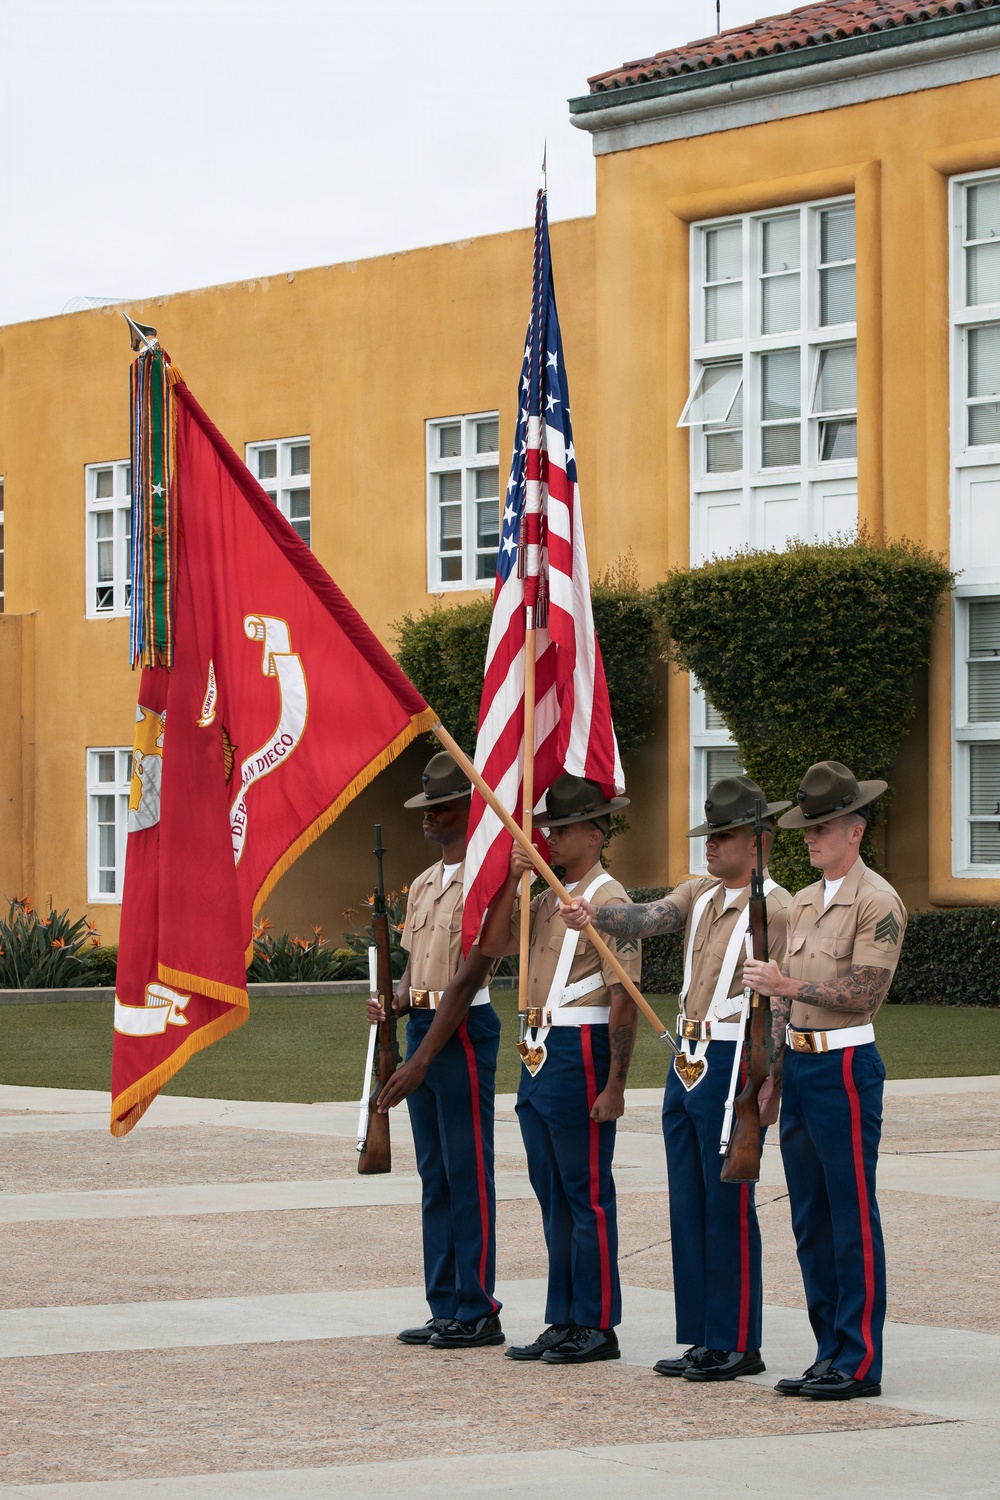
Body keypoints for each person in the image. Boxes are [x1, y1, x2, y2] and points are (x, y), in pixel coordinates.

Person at [562, 774, 791, 1383]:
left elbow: (782, 1006)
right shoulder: (701, 893)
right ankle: (702, 1335)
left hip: (733, 1056)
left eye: (725, 835)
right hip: (686, 1057)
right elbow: (647, 917)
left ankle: (738, 1340)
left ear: (759, 840)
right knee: (688, 1203)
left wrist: (771, 1081)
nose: (712, 846)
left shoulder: (781, 907)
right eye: (710, 835)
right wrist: (596, 913)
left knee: (727, 1201)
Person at [743, 760, 907, 1401]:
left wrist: (785, 984)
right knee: (810, 1215)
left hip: (845, 1065)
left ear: (855, 831)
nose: (809, 837)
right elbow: (782, 1004)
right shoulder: (806, 902)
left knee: (850, 1213)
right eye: (807, 827)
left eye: (823, 826)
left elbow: (866, 989)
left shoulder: (878, 901)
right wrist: (773, 1072)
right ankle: (827, 1351)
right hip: (804, 1068)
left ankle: (858, 1359)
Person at [479, 774, 640, 1365]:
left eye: (563, 828)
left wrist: (615, 1083)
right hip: (538, 1050)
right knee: (552, 1193)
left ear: (595, 834)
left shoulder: (611, 902)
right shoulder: (545, 897)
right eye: (548, 828)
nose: (550, 837)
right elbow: (493, 945)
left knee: (586, 1191)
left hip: (581, 1047)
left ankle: (597, 1323)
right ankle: (564, 1315)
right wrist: (514, 878)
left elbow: (624, 996)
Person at [368, 751, 503, 1350]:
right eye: (425, 806)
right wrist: (395, 1004)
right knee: (435, 1173)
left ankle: (477, 1307)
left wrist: (422, 1059)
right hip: (423, 1026)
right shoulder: (424, 884)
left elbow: (471, 974)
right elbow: (411, 970)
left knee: (467, 1170)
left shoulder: (485, 881)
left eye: (440, 806)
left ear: (468, 810)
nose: (428, 816)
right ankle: (444, 1302)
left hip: (462, 1033)